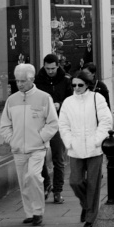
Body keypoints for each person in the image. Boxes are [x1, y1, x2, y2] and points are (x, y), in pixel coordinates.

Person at [0, 63, 58, 226]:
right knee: (24, 182)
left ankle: (38, 211)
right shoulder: (11, 100)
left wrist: (41, 138)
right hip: (18, 149)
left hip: (37, 148)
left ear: (31, 79)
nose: (19, 84)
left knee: (34, 177)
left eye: (23, 81)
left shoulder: (44, 97)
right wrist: (12, 139)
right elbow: (5, 124)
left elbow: (53, 123)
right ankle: (30, 212)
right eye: (17, 81)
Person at [58, 69, 112, 227]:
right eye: (73, 85)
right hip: (75, 149)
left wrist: (97, 140)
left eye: (80, 84)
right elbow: (63, 125)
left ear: (87, 84)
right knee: (75, 181)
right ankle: (87, 206)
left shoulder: (97, 98)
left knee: (93, 184)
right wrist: (69, 142)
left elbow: (106, 121)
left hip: (94, 148)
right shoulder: (68, 102)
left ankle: (90, 217)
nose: (76, 88)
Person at [35, 54, 72, 204]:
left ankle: (58, 190)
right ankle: (46, 184)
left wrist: (60, 104)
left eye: (53, 68)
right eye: (47, 68)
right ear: (44, 66)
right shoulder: (37, 81)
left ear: (58, 66)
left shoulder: (65, 80)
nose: (50, 71)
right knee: (40, 157)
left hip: (58, 122)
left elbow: (71, 100)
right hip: (41, 123)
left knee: (58, 158)